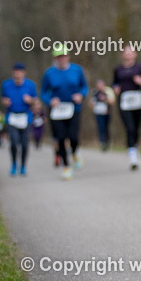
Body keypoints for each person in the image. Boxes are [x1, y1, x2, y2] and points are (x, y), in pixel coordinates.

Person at [41, 42, 88, 180]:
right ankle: (66, 167)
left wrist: (81, 95)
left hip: (74, 108)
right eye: (58, 56)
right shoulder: (49, 73)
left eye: (63, 56)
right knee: (60, 138)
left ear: (68, 56)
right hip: (57, 111)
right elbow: (43, 92)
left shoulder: (77, 70)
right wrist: (50, 100)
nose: (61, 59)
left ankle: (74, 153)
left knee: (73, 137)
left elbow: (84, 87)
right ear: (55, 58)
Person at [113, 44, 141, 170]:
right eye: (126, 53)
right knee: (129, 128)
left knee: (135, 129)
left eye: (130, 52)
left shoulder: (140, 68)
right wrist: (115, 88)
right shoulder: (118, 69)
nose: (128, 55)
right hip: (124, 102)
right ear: (122, 55)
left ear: (135, 54)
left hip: (137, 101)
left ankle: (134, 148)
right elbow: (114, 83)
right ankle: (133, 158)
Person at [1, 62, 38, 176]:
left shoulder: (30, 85)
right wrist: (5, 102)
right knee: (14, 142)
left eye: (19, 72)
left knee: (25, 144)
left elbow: (36, 101)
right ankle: (13, 164)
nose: (17, 74)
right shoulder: (6, 84)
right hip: (12, 116)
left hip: (26, 117)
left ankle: (22, 166)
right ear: (13, 73)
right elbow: (3, 99)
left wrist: (30, 100)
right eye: (15, 72)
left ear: (24, 73)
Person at [91, 79, 115, 151]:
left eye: (101, 85)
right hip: (98, 113)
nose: (99, 87)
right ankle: (102, 142)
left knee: (106, 128)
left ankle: (107, 142)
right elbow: (91, 103)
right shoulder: (94, 92)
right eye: (98, 85)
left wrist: (105, 99)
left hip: (107, 113)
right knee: (100, 127)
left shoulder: (108, 91)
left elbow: (112, 102)